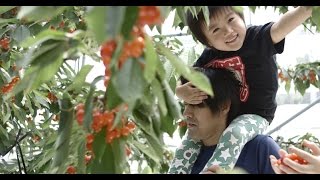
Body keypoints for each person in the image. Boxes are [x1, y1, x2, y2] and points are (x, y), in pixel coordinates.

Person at [168, 6, 313, 174]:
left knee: (234, 133)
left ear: (241, 17)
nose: (228, 31)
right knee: (186, 144)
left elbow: (281, 26)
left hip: (256, 115)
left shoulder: (256, 39)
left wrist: (306, 9)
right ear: (208, 42)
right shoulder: (210, 55)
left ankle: (215, 170)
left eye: (231, 20)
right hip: (227, 117)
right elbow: (187, 77)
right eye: (215, 29)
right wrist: (180, 91)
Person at [177, 67, 281, 174]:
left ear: (224, 106)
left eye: (196, 105)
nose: (186, 114)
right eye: (185, 104)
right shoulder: (186, 159)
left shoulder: (261, 148)